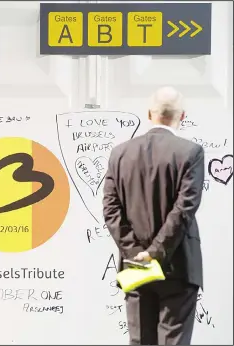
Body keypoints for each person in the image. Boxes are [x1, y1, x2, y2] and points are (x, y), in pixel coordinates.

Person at [102, 86, 205, 345]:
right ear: (182, 116)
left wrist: (136, 253)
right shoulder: (190, 152)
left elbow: (110, 209)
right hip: (178, 266)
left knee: (141, 341)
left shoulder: (120, 153)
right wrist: (155, 252)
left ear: (149, 114)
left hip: (135, 267)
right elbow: (184, 210)